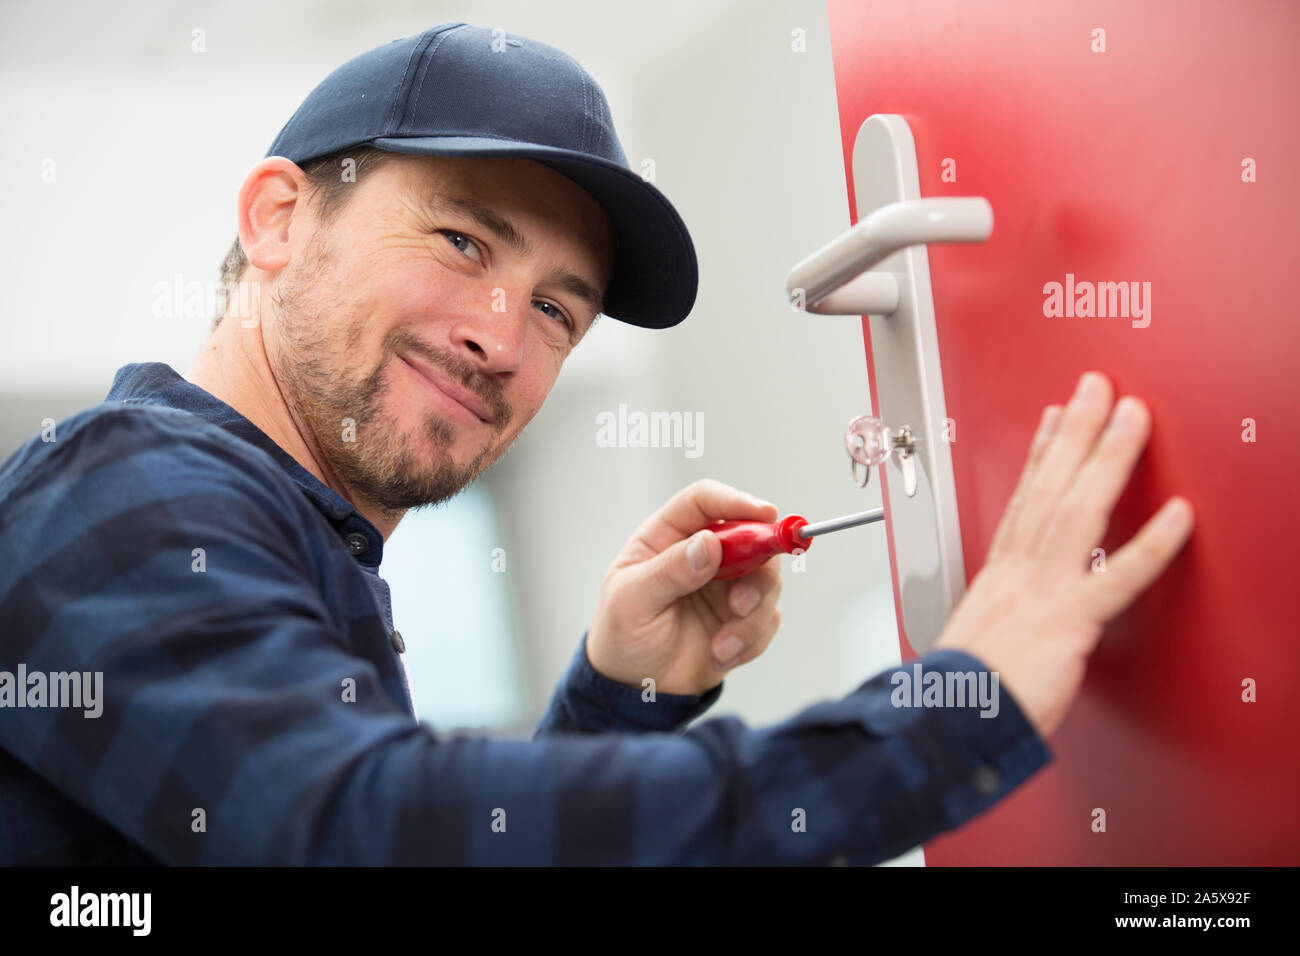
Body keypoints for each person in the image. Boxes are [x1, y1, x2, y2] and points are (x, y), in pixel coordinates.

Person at [0, 22, 1193, 865]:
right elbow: (359, 831)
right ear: (277, 218)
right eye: (464, 241)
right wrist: (947, 716)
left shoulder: (289, 539)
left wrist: (616, 697)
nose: (499, 337)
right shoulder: (121, 490)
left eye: (559, 307)